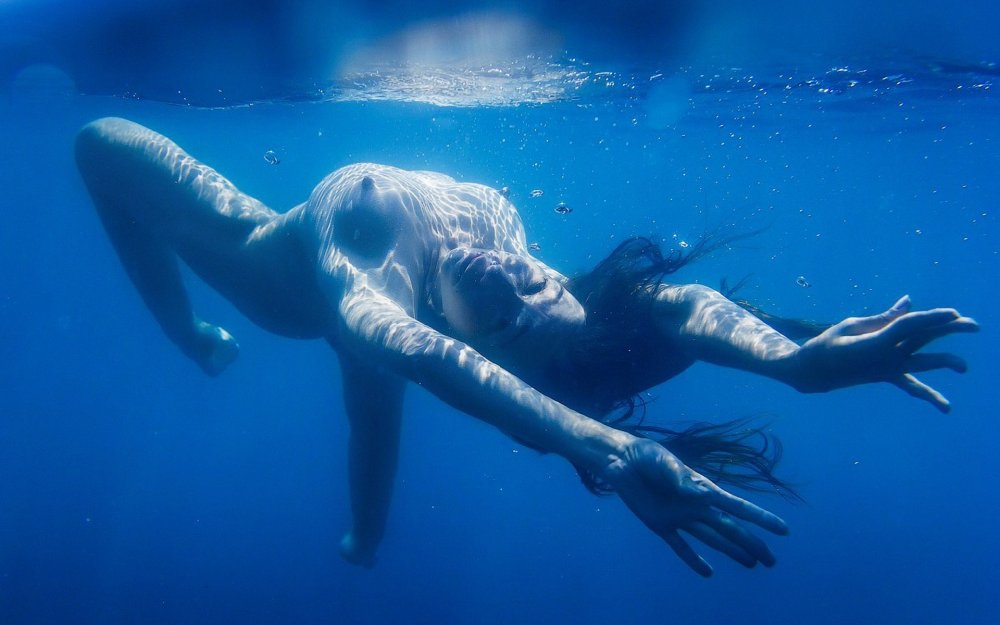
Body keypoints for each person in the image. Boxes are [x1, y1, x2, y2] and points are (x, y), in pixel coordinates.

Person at [75, 117, 977, 577]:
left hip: (286, 285)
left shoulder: (375, 278)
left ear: (483, 349)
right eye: (539, 284)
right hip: (388, 318)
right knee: (370, 399)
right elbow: (674, 309)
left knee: (97, 146)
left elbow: (422, 353)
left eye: (503, 321)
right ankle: (363, 538)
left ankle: (196, 338)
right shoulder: (504, 238)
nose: (513, 281)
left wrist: (609, 449)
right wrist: (797, 362)